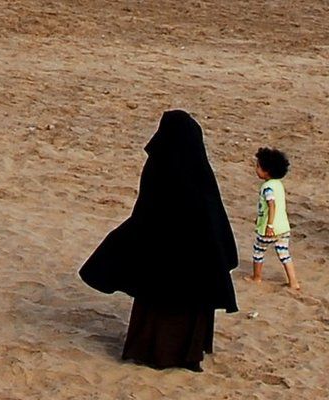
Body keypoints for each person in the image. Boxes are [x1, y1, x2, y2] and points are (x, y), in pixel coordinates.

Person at [79, 110, 238, 372]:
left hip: (159, 256)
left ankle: (153, 352)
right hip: (194, 260)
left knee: (157, 310)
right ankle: (184, 354)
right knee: (185, 310)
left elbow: (146, 210)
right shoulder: (198, 170)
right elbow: (212, 216)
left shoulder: (159, 165)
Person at [243, 147, 300, 290]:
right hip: (283, 227)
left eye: (258, 166)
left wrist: (268, 225)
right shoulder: (278, 185)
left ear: (266, 171)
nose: (256, 169)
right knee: (284, 253)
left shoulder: (267, 187)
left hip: (270, 229)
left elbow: (271, 206)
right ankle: (293, 282)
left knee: (258, 251)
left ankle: (257, 277)